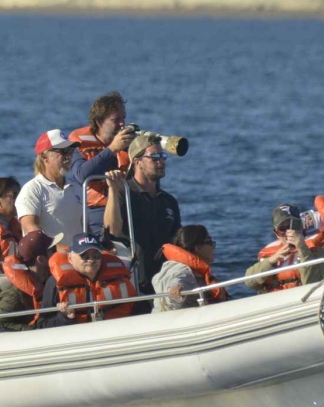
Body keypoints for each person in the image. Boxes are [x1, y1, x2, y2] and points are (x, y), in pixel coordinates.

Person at [105, 132, 182, 295]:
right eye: (154, 156)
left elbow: (178, 242)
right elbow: (112, 230)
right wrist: (112, 189)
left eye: (162, 155)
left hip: (165, 282)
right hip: (135, 282)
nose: (161, 160)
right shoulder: (122, 193)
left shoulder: (168, 201)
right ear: (137, 162)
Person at [41, 232, 138, 327]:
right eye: (84, 256)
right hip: (78, 337)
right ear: (70, 258)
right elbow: (42, 324)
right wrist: (65, 317)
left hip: (117, 331)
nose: (91, 260)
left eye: (96, 255)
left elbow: (139, 308)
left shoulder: (118, 275)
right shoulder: (55, 283)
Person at [69, 91, 132, 235]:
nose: (122, 124)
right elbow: (82, 174)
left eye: (124, 118)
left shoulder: (129, 144)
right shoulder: (79, 142)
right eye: (116, 120)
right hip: (95, 210)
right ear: (99, 122)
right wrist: (112, 149)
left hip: (127, 206)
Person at [246, 203, 324, 292]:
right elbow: (249, 282)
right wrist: (273, 260)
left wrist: (302, 249)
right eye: (282, 229)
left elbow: (312, 283)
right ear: (276, 233)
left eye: (294, 226)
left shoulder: (317, 251)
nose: (289, 232)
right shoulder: (270, 255)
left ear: (301, 227)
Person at [15, 129, 83, 244]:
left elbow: (85, 226)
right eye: (63, 151)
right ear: (44, 157)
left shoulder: (77, 188)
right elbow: (29, 226)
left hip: (78, 258)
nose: (68, 156)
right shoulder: (32, 189)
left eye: (70, 151)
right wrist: (55, 248)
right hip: (49, 258)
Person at [151, 224, 228, 312]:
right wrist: (176, 288)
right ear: (198, 247)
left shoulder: (193, 270)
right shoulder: (181, 268)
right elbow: (176, 279)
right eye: (210, 242)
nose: (213, 247)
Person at [0, 230, 57, 331]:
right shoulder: (13, 296)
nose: (57, 255)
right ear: (41, 260)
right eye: (53, 251)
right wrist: (32, 330)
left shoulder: (51, 283)